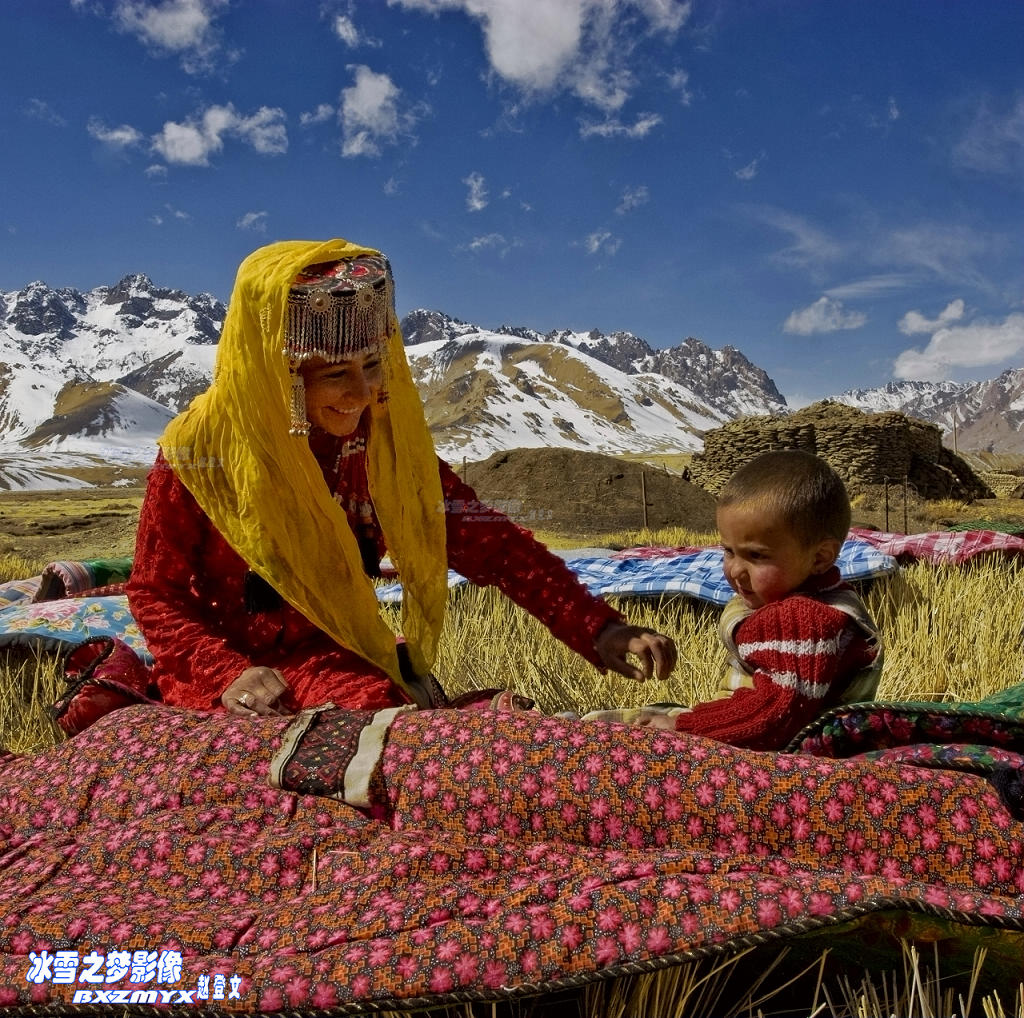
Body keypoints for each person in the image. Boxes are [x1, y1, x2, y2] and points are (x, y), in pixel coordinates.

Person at [126, 239, 676, 717]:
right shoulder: (199, 455)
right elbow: (155, 593)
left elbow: (498, 548)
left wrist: (597, 626)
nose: (363, 394)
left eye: (373, 366)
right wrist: (228, 675)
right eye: (337, 374)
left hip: (334, 657)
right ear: (277, 374)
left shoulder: (383, 451)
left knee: (373, 719)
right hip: (223, 674)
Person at [583, 449, 882, 749]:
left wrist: (681, 726)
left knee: (600, 732)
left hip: (776, 755)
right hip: (747, 735)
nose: (735, 570)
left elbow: (773, 717)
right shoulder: (806, 601)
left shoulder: (803, 620)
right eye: (728, 551)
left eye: (756, 555)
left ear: (820, 557)